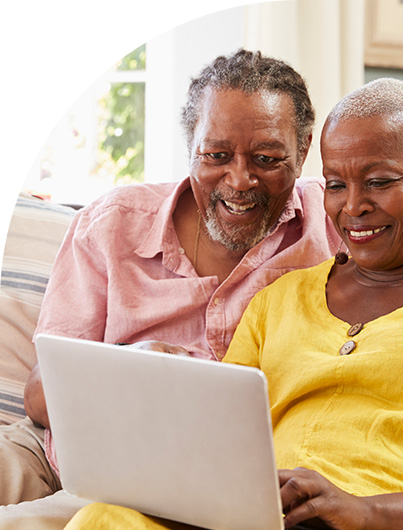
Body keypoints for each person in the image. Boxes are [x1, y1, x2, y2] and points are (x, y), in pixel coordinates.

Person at [64, 77, 403, 530]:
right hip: (256, 517)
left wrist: (367, 512)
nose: (353, 206)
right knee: (103, 518)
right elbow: (220, 440)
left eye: (378, 182)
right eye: (335, 184)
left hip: (378, 521)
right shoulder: (280, 300)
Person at [0, 49, 338, 509]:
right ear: (190, 147)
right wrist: (129, 365)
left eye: (266, 158)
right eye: (216, 155)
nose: (239, 180)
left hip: (208, 479)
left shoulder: (337, 224)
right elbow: (40, 396)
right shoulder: (112, 224)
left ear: (302, 152)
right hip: (61, 451)